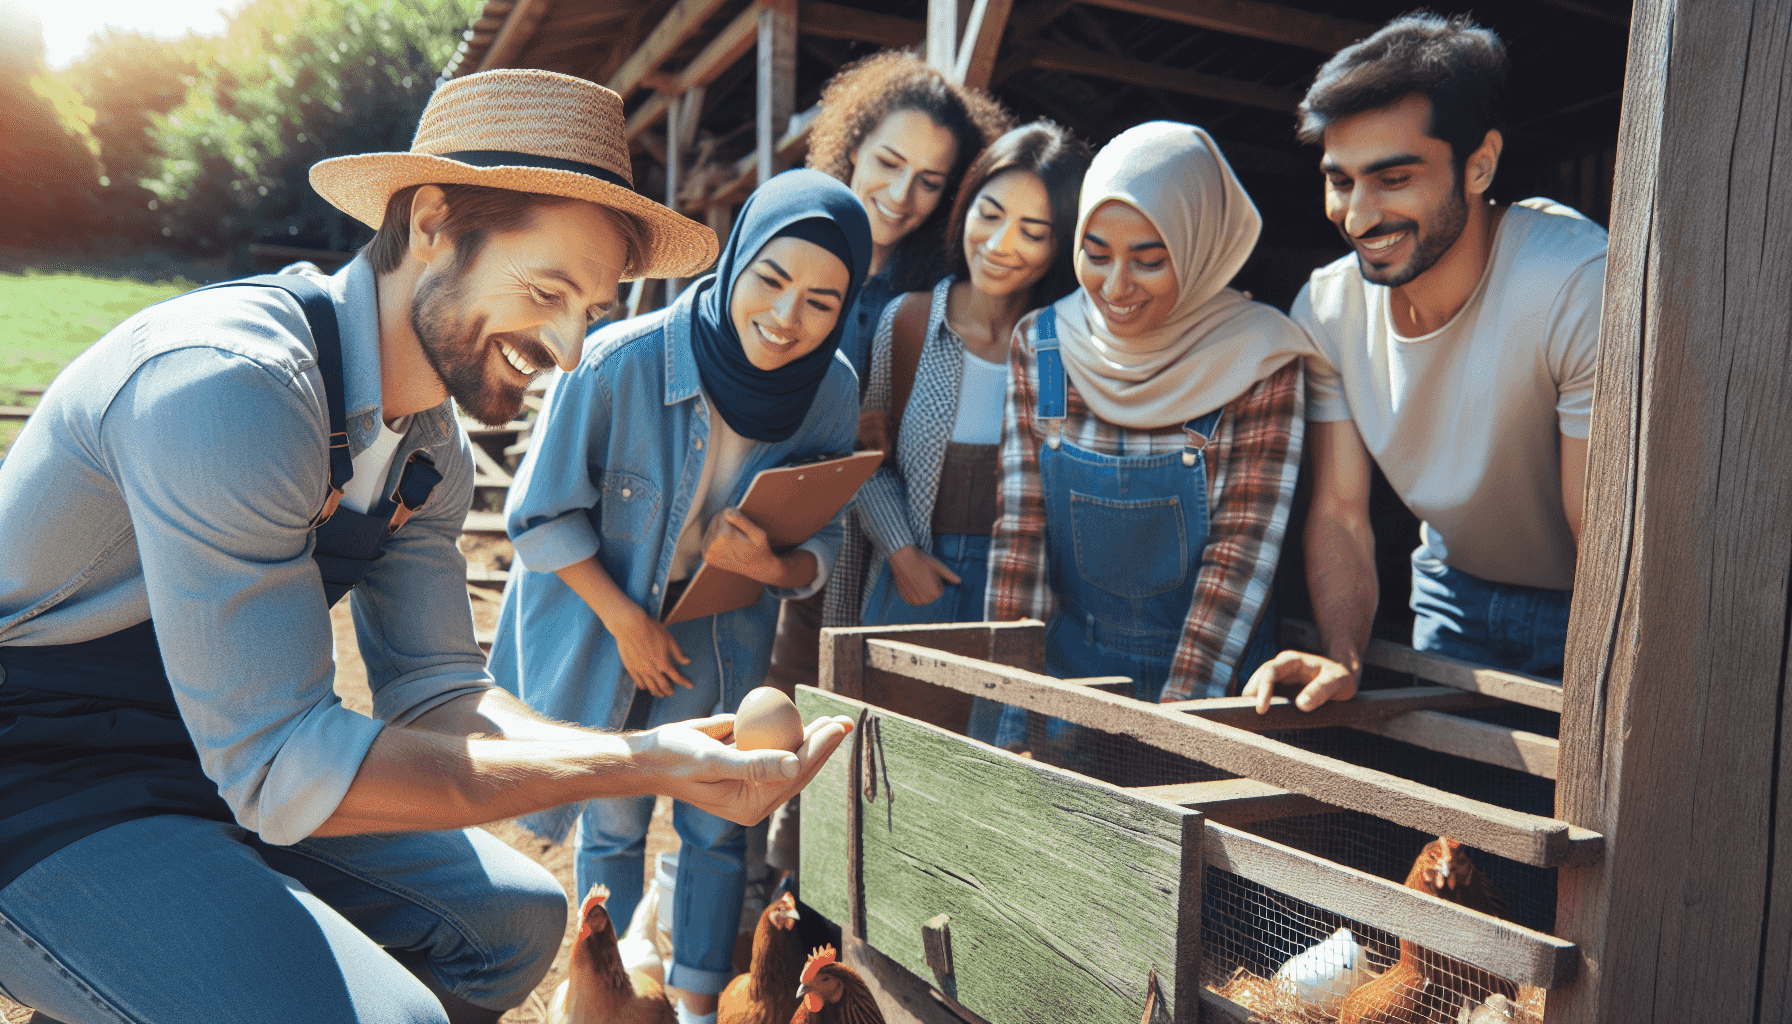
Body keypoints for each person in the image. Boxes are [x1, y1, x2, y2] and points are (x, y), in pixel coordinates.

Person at [0, 70, 853, 1024]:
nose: (570, 349)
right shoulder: (232, 385)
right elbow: (281, 763)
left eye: (593, 311)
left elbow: (441, 693)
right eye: (546, 290)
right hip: (40, 783)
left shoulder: (427, 444)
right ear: (433, 219)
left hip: (199, 759)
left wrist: (655, 747)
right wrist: (644, 763)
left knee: (518, 923)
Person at [486, 168, 872, 1024]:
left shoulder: (832, 388)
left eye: (821, 299)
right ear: (735, 263)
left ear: (848, 306)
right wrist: (625, 621)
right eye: (770, 281)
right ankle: (614, 999)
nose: (785, 316)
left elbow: (826, 539)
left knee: (715, 828)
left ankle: (699, 1009)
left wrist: (775, 569)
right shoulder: (622, 360)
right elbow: (538, 513)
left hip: (725, 634)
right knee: (615, 821)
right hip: (610, 634)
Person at [1243, 14, 1606, 715]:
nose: (1357, 217)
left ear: (1479, 165)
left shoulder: (1574, 283)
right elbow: (1342, 512)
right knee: (1443, 818)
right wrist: (1343, 654)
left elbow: (1599, 532)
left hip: (1585, 607)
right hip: (1449, 589)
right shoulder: (1324, 310)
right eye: (1340, 181)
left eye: (1393, 178)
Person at [985, 121, 1316, 726]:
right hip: (1069, 683)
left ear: (1198, 247)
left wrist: (1179, 727)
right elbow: (1020, 541)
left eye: (1148, 260)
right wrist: (1016, 708)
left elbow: (1241, 554)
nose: (1115, 287)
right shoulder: (1043, 345)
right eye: (1096, 253)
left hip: (1217, 690)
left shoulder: (1260, 358)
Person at [823, 122, 1090, 747]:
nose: (1001, 244)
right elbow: (866, 459)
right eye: (990, 214)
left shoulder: (1061, 343)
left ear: (1063, 244)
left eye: (1034, 231)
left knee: (999, 762)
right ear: (965, 207)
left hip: (1022, 589)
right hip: (913, 574)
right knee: (889, 760)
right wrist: (902, 554)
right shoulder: (910, 321)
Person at [761, 52, 1012, 699]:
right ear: (853, 147)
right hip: (783, 535)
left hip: (896, 550)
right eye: (889, 164)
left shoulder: (942, 293)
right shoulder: (789, 251)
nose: (903, 197)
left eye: (930, 180)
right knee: (770, 710)